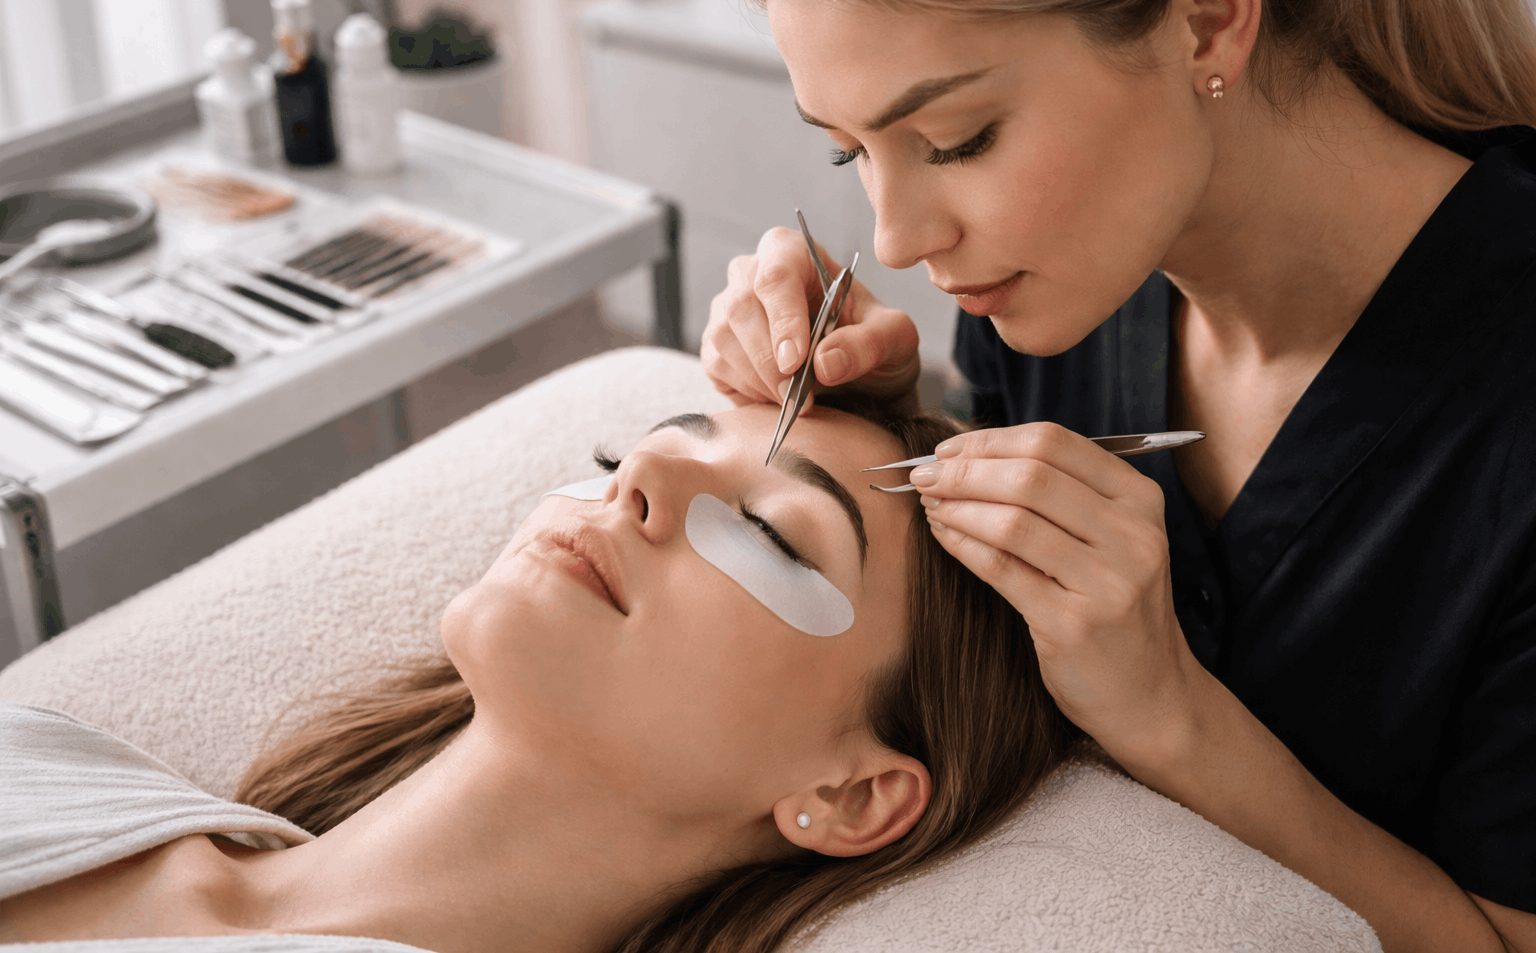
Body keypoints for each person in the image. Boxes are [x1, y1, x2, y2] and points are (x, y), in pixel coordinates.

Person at [700, 0, 1536, 949]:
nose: (899, 240)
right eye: (849, 150)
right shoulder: (1062, 297)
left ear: (1208, 19)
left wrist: (1170, 713)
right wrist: (884, 416)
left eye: (957, 139)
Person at [0, 402, 1075, 953]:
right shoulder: (53, 758)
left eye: (767, 531)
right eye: (625, 454)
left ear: (849, 794)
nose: (641, 477)